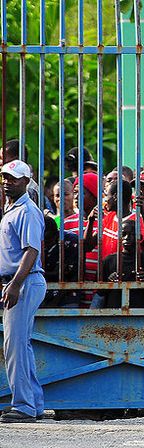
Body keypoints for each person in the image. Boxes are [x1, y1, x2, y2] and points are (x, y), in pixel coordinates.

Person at [0, 160, 47, 423]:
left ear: (26, 182)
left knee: (15, 346)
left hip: (24, 281)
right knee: (22, 345)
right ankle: (33, 403)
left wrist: (15, 284)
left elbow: (32, 250)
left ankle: (24, 405)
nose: (8, 181)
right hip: (19, 281)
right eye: (5, 177)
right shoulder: (12, 209)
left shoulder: (27, 211)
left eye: (14, 178)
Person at [98, 219, 144, 308]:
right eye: (123, 234)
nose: (127, 238)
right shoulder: (108, 261)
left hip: (139, 314)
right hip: (114, 314)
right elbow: (99, 291)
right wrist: (108, 282)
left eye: (132, 234)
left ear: (139, 237)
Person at [63, 172, 100, 307]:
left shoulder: (105, 221)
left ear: (94, 195)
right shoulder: (66, 223)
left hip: (98, 286)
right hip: (73, 287)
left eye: (82, 193)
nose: (77, 197)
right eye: (75, 192)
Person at [41, 216, 80, 307]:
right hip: (41, 293)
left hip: (68, 295)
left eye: (48, 239)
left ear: (56, 233)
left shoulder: (71, 241)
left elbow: (71, 275)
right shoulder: (34, 240)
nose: (45, 244)